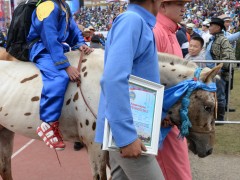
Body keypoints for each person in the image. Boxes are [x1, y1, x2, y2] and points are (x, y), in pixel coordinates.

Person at [95, 0, 164, 179]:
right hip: (130, 130)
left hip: (132, 127)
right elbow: (113, 79)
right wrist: (126, 136)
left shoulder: (136, 21)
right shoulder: (132, 20)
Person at [27, 0, 93, 150]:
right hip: (42, 48)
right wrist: (66, 66)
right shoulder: (48, 6)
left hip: (57, 47)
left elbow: (73, 29)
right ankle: (48, 123)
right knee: (59, 77)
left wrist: (80, 43)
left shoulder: (64, 6)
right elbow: (49, 38)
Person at [153, 0, 193, 179]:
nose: (183, 8)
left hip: (171, 114)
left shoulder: (172, 32)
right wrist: (161, 113)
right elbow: (149, 77)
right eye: (178, 3)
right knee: (174, 171)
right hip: (164, 117)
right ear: (163, 6)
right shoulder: (156, 31)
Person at [205, 17, 235, 122]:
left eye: (211, 25)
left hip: (219, 73)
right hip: (211, 72)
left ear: (218, 27)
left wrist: (219, 69)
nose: (209, 27)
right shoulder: (212, 39)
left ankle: (220, 118)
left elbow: (229, 57)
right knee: (212, 94)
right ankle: (214, 115)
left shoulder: (223, 40)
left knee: (219, 95)